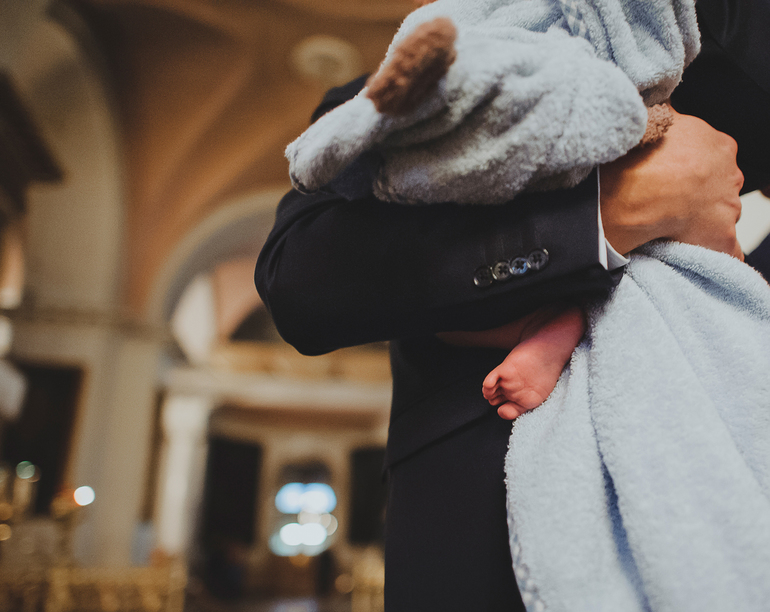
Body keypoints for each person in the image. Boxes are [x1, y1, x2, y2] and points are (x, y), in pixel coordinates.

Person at [255, 2, 769, 610]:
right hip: (485, 544)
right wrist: (605, 216)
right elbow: (301, 282)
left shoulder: (737, 72)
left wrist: (729, 287)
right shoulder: (433, 80)